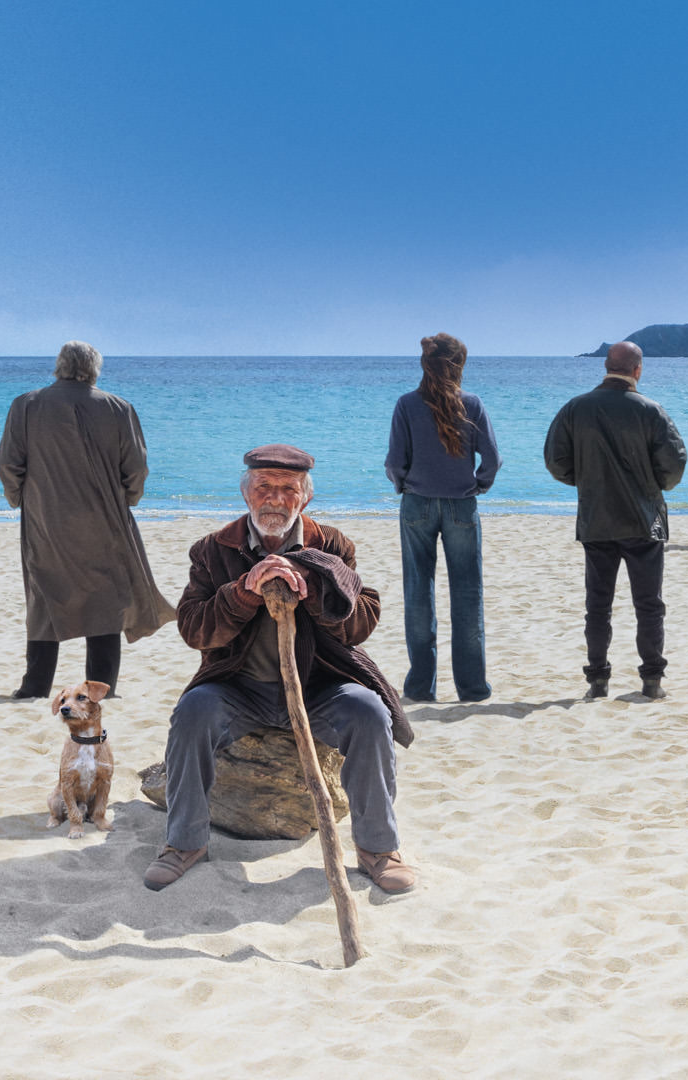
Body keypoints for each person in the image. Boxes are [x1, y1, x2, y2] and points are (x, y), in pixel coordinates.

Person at [145, 444, 417, 893]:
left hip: (318, 686)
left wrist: (314, 586)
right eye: (263, 486)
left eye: (288, 488)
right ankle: (184, 843)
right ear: (246, 493)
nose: (274, 498)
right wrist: (243, 592)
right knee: (192, 712)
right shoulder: (212, 550)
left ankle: (378, 849)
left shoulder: (331, 546)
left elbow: (362, 620)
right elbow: (194, 628)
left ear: (305, 497)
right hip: (238, 687)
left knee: (370, 712)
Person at [0, 341, 177, 699]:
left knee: (44, 595)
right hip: (104, 518)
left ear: (59, 366)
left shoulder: (26, 405)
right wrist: (128, 500)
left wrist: (19, 498)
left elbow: (8, 463)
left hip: (46, 517)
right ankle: (100, 688)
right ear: (94, 369)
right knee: (105, 600)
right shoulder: (118, 408)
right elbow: (136, 468)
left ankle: (35, 686)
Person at [543, 342, 687, 701]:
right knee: (649, 604)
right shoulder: (651, 410)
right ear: (638, 370)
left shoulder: (575, 408)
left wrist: (587, 480)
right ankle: (652, 681)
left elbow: (556, 461)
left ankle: (597, 681)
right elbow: (674, 466)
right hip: (645, 520)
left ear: (606, 366)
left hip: (596, 519)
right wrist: (653, 485)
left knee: (598, 606)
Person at [384, 332, 501, 703]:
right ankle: (472, 688)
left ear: (425, 364)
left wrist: (404, 485)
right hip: (461, 506)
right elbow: (492, 459)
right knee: (467, 594)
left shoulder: (406, 404)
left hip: (417, 504)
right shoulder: (473, 404)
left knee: (418, 592)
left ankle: (421, 688)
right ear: (459, 365)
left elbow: (394, 462)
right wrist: (478, 485)